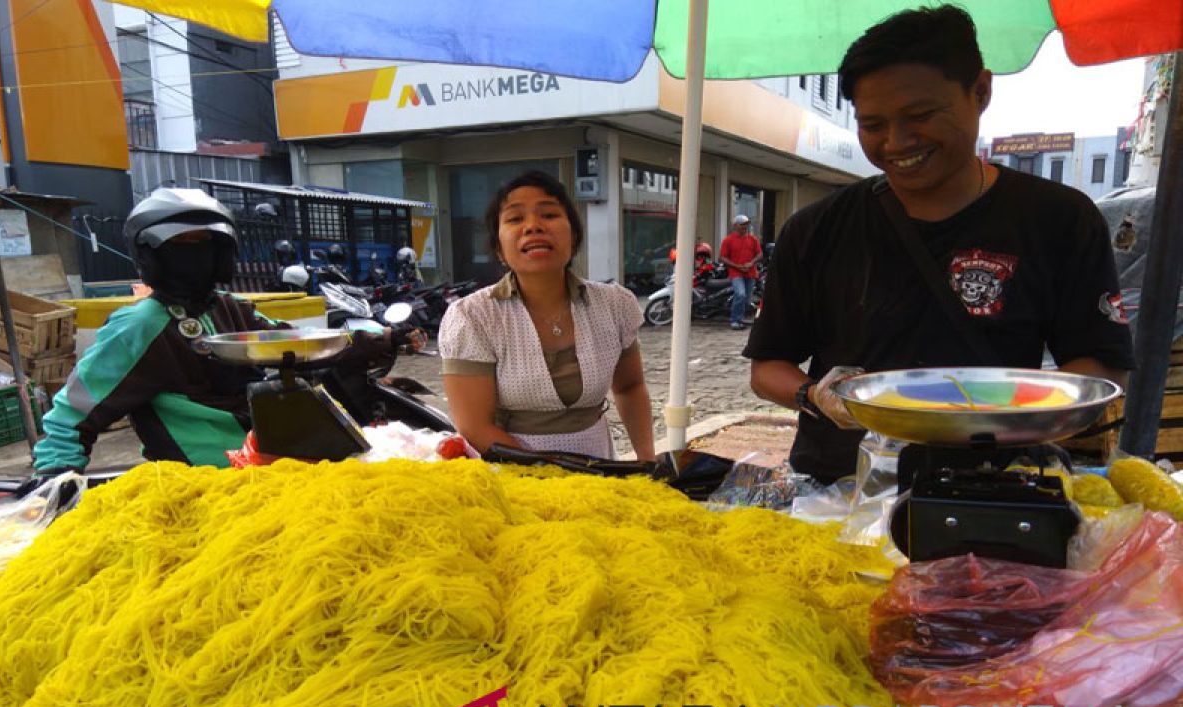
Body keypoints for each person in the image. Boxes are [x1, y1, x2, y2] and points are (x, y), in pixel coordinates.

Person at [744, 6, 1134, 485]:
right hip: (838, 491)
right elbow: (767, 367)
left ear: (981, 92)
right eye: (873, 124)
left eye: (920, 115)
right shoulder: (815, 228)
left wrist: (1014, 415)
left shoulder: (1061, 219)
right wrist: (815, 396)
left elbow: (1102, 366)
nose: (897, 142)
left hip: (994, 488)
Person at [31, 188, 423, 475]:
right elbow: (71, 416)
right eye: (182, 246)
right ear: (150, 254)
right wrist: (55, 480)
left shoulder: (228, 306)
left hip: (271, 462)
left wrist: (377, 341)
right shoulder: (140, 325)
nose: (197, 257)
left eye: (208, 246)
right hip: (204, 481)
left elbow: (294, 343)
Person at [438, 170, 655, 460]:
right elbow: (475, 427)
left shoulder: (614, 304)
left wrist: (647, 459)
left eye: (549, 215)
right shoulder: (472, 316)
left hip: (600, 465)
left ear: (574, 236)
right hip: (509, 475)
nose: (533, 226)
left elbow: (630, 387)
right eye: (515, 219)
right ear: (499, 248)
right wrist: (559, 475)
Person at [719, 214, 762, 330]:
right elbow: (722, 257)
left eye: (746, 225)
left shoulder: (753, 239)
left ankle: (740, 319)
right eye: (742, 225)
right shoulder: (728, 240)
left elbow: (759, 254)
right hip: (736, 273)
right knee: (740, 294)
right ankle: (735, 320)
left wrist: (751, 263)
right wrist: (737, 266)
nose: (745, 227)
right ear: (735, 225)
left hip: (750, 272)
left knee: (746, 299)